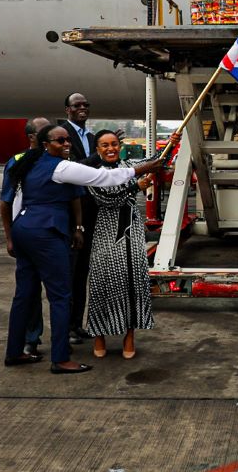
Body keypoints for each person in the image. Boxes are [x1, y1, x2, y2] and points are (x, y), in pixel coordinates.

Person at [4, 125, 176, 374]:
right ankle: (61, 358)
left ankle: (14, 351)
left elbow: (15, 200)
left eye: (66, 140)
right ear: (45, 144)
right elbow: (105, 178)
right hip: (46, 232)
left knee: (24, 294)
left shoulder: (30, 163)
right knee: (61, 296)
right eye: (59, 140)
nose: (66, 144)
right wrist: (143, 171)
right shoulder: (61, 166)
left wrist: (12, 234)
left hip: (24, 228)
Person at [86, 130, 160, 360]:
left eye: (114, 144)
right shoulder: (94, 173)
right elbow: (108, 199)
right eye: (105, 145)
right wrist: (136, 186)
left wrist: (170, 146)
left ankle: (130, 336)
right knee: (102, 283)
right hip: (107, 232)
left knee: (133, 282)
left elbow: (153, 162)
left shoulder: (129, 165)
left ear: (120, 146)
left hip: (132, 232)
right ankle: (99, 335)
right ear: (97, 149)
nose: (111, 149)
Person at [0, 117, 53, 360]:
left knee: (61, 291)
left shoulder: (58, 159)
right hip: (28, 235)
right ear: (31, 137)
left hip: (54, 235)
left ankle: (65, 335)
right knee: (29, 292)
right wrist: (9, 237)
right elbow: (6, 202)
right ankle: (31, 339)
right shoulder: (18, 163)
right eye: (45, 132)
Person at [61, 92, 99, 345]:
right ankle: (66, 328)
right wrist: (99, 154)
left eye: (86, 104)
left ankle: (77, 323)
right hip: (71, 213)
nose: (83, 108)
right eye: (78, 105)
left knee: (82, 272)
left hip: (90, 210)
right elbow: (76, 169)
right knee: (69, 272)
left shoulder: (92, 137)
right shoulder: (62, 135)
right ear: (68, 110)